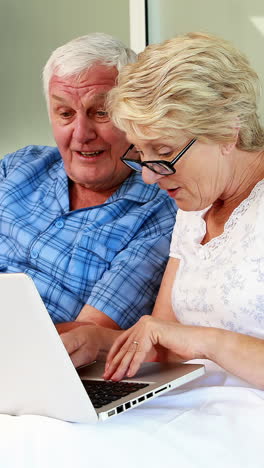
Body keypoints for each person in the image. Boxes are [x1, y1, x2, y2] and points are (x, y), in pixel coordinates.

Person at [62, 32, 264, 388]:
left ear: (228, 131)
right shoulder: (193, 204)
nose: (149, 177)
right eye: (141, 153)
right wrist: (99, 343)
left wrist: (206, 341)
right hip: (189, 403)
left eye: (165, 151)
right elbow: (166, 345)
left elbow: (190, 341)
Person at [0, 33, 176, 333]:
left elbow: (90, 335)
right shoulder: (19, 166)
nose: (81, 133)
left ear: (133, 117)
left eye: (100, 112)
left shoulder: (159, 210)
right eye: (65, 113)